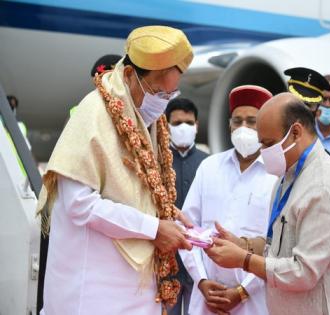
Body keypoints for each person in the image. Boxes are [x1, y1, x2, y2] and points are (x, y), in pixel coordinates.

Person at [36, 25, 195, 315]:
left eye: (170, 95)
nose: (162, 103)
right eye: (159, 92)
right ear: (131, 75)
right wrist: (154, 228)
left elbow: (138, 193)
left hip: (135, 294)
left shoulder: (148, 121)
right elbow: (80, 205)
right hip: (90, 295)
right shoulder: (94, 113)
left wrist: (168, 214)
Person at [205, 93, 330, 315]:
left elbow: (303, 272)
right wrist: (244, 245)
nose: (262, 151)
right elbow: (281, 242)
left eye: (268, 143)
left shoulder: (323, 187)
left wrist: (243, 260)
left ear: (296, 132)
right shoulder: (288, 175)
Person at [180, 85, 277, 315]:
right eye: (238, 120)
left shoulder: (277, 176)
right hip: (207, 299)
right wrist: (201, 280)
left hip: (255, 302)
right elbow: (187, 228)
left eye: (252, 121)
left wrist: (243, 291)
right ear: (229, 124)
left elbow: (278, 247)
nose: (243, 128)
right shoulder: (209, 167)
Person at [165, 98, 209, 315]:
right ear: (166, 126)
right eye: (178, 122)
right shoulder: (157, 162)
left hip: (199, 263)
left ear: (197, 126)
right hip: (166, 263)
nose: (184, 128)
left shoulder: (209, 163)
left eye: (189, 123)